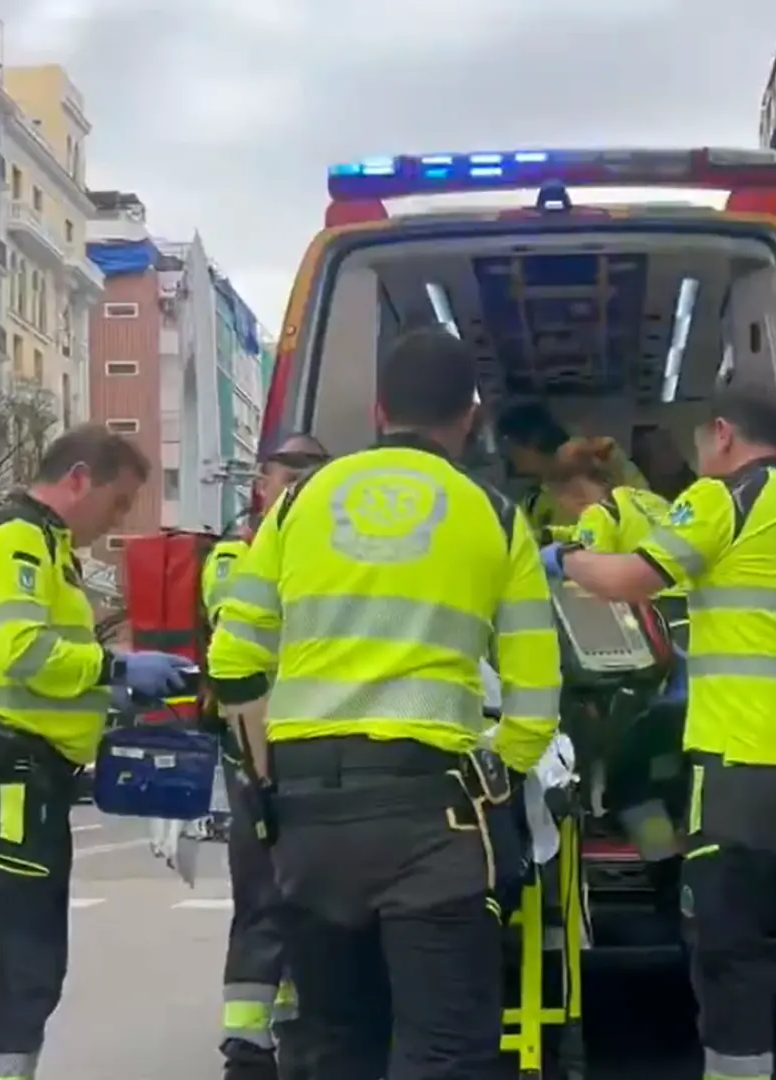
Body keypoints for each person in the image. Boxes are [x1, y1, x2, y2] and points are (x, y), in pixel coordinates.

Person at [205, 327, 562, 1080]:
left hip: (309, 820)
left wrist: (267, 770)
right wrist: (501, 774)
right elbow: (535, 689)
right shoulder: (495, 515)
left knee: (335, 1040)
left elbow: (234, 658)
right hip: (433, 817)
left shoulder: (300, 501)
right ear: (470, 416)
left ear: (377, 409)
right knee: (442, 1048)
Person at [553, 389, 776, 1080]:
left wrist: (566, 560)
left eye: (701, 444)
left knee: (730, 955)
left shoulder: (726, 497)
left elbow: (630, 577)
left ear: (723, 434)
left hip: (748, 769)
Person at [0, 425, 194, 1080]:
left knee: (30, 964)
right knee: (13, 970)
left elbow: (50, 677)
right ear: (79, 478)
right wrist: (118, 670)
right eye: (119, 500)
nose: (118, 519)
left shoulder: (48, 549)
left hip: (22, 781)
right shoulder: (19, 539)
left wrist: (114, 701)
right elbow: (25, 655)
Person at [201, 433, 330, 1080]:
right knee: (261, 895)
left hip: (316, 746)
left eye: (313, 475)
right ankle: (247, 1049)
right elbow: (242, 636)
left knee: (310, 894)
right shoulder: (235, 556)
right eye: (290, 474)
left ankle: (297, 1026)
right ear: (261, 482)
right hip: (256, 747)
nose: (300, 485)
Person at [542, 434, 685, 861]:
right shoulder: (657, 505)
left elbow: (588, 586)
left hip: (657, 671)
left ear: (572, 492)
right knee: (676, 782)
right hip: (702, 663)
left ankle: (665, 879)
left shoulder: (601, 516)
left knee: (630, 783)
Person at [494, 400, 648, 531]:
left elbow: (647, 505)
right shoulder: (533, 505)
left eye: (511, 446)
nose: (509, 456)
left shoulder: (600, 460)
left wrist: (590, 450)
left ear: (533, 439)